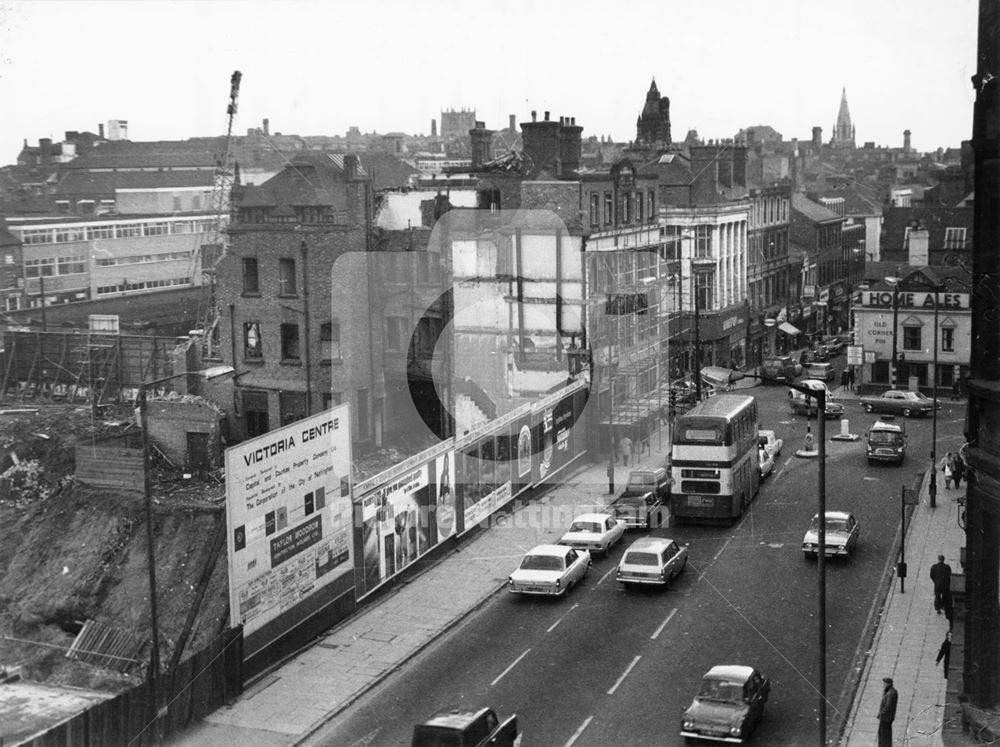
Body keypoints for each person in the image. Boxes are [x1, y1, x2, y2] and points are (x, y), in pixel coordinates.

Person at [878, 677, 898, 747]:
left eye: (884, 683)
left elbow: (888, 706)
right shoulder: (891, 691)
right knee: (883, 735)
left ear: (888, 684)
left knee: (884, 736)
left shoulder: (890, 693)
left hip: (886, 718)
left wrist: (881, 713)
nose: (883, 685)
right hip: (886, 718)